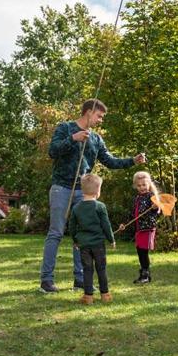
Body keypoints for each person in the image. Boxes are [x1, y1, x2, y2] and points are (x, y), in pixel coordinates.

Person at [39, 98, 145, 294]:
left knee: (83, 234)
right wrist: (73, 139)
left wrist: (132, 161)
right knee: (56, 233)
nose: (100, 120)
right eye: (99, 116)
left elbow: (110, 161)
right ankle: (46, 281)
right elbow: (53, 151)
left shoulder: (96, 139)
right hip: (61, 188)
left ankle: (81, 280)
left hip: (84, 192)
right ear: (89, 112)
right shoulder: (65, 128)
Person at [69, 174, 115, 304]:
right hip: (98, 244)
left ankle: (88, 296)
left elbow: (72, 227)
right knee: (101, 268)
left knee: (87, 270)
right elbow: (106, 225)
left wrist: (75, 240)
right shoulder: (100, 206)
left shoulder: (76, 208)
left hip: (84, 245)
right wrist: (111, 239)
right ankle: (105, 294)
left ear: (82, 190)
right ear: (97, 191)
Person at [119, 171, 160, 284]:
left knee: (143, 251)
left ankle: (145, 275)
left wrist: (155, 207)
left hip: (147, 228)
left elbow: (157, 211)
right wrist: (124, 223)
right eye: (139, 185)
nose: (142, 187)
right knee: (140, 251)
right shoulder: (137, 198)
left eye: (144, 185)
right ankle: (144, 273)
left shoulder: (151, 196)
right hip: (139, 229)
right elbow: (132, 213)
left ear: (149, 184)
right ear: (135, 186)